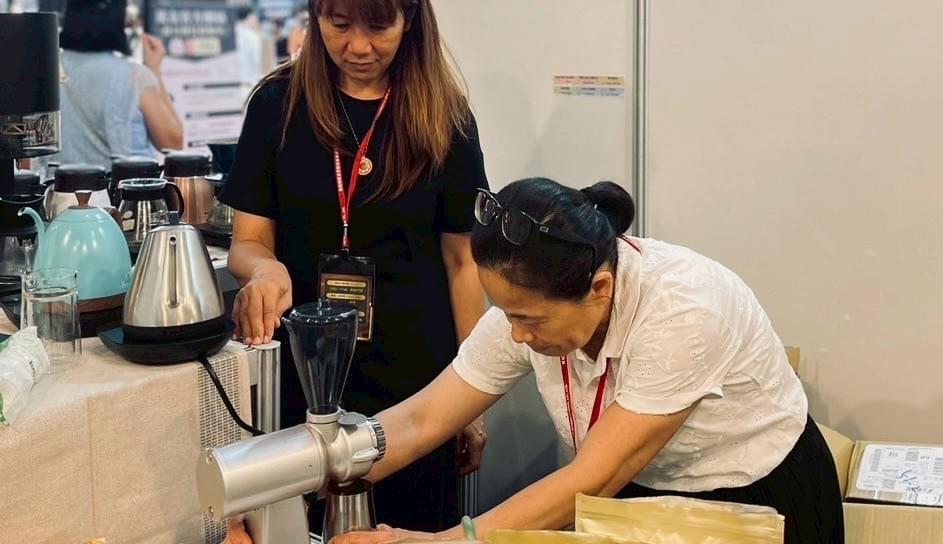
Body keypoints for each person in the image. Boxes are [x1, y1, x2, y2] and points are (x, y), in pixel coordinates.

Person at [227, 177, 846, 543]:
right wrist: (300, 476)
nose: (516, 336)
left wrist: (449, 541)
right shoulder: (527, 304)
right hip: (641, 493)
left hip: (754, 496)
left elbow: (591, 478)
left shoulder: (685, 312)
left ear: (599, 287)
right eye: (505, 312)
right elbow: (421, 420)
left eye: (531, 320)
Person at [220, 0, 489, 532]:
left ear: (410, 20)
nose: (358, 46)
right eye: (339, 25)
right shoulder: (277, 105)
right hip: (306, 379)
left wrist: (472, 399)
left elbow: (464, 263)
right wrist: (265, 270)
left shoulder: (444, 115)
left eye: (379, 26)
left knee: (411, 531)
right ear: (315, 17)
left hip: (419, 386)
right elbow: (247, 243)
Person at [52, 0, 183, 169]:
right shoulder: (134, 76)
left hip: (60, 183)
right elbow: (173, 143)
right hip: (128, 183)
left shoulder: (46, 71)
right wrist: (154, 72)